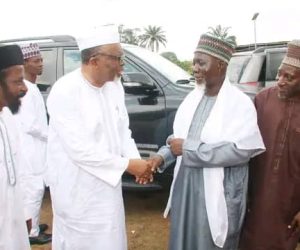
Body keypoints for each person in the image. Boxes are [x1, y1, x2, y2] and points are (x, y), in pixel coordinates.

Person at [148, 34, 265, 250]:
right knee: (183, 239)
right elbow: (178, 140)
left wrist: (189, 149)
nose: (195, 67)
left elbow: (240, 151)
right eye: (194, 62)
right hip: (186, 185)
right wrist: (162, 156)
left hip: (218, 189)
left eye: (201, 62)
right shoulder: (192, 98)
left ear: (220, 65)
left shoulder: (240, 104)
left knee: (208, 241)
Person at [46, 24, 152, 250]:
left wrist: (138, 163)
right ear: (94, 60)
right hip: (77, 191)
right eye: (116, 58)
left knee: (111, 238)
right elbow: (80, 150)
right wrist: (128, 165)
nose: (120, 66)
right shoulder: (64, 91)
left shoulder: (114, 86)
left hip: (108, 189)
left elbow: (124, 131)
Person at [239, 40, 300, 250]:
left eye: (289, 77)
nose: (280, 81)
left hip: (291, 204)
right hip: (256, 199)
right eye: (280, 74)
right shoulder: (262, 100)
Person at [14, 43, 51, 245]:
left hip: (36, 146)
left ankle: (33, 223)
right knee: (33, 189)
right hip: (30, 148)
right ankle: (32, 233)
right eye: (36, 61)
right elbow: (31, 125)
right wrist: (53, 135)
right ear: (25, 63)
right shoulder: (25, 89)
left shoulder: (32, 87)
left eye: (41, 60)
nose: (40, 64)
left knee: (34, 188)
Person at [0, 44, 30, 249]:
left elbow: (18, 169)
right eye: (18, 81)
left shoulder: (8, 117)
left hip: (13, 214)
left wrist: (25, 211)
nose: (25, 88)